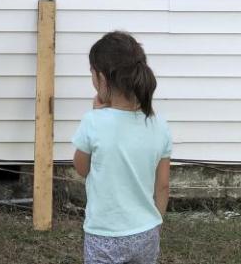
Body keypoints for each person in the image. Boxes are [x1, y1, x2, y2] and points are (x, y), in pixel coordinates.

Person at [72, 31, 172, 264]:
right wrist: (156, 223)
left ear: (102, 79)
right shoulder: (159, 125)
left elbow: (81, 167)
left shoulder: (93, 122)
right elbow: (163, 185)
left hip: (104, 235)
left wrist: (97, 114)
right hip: (147, 231)